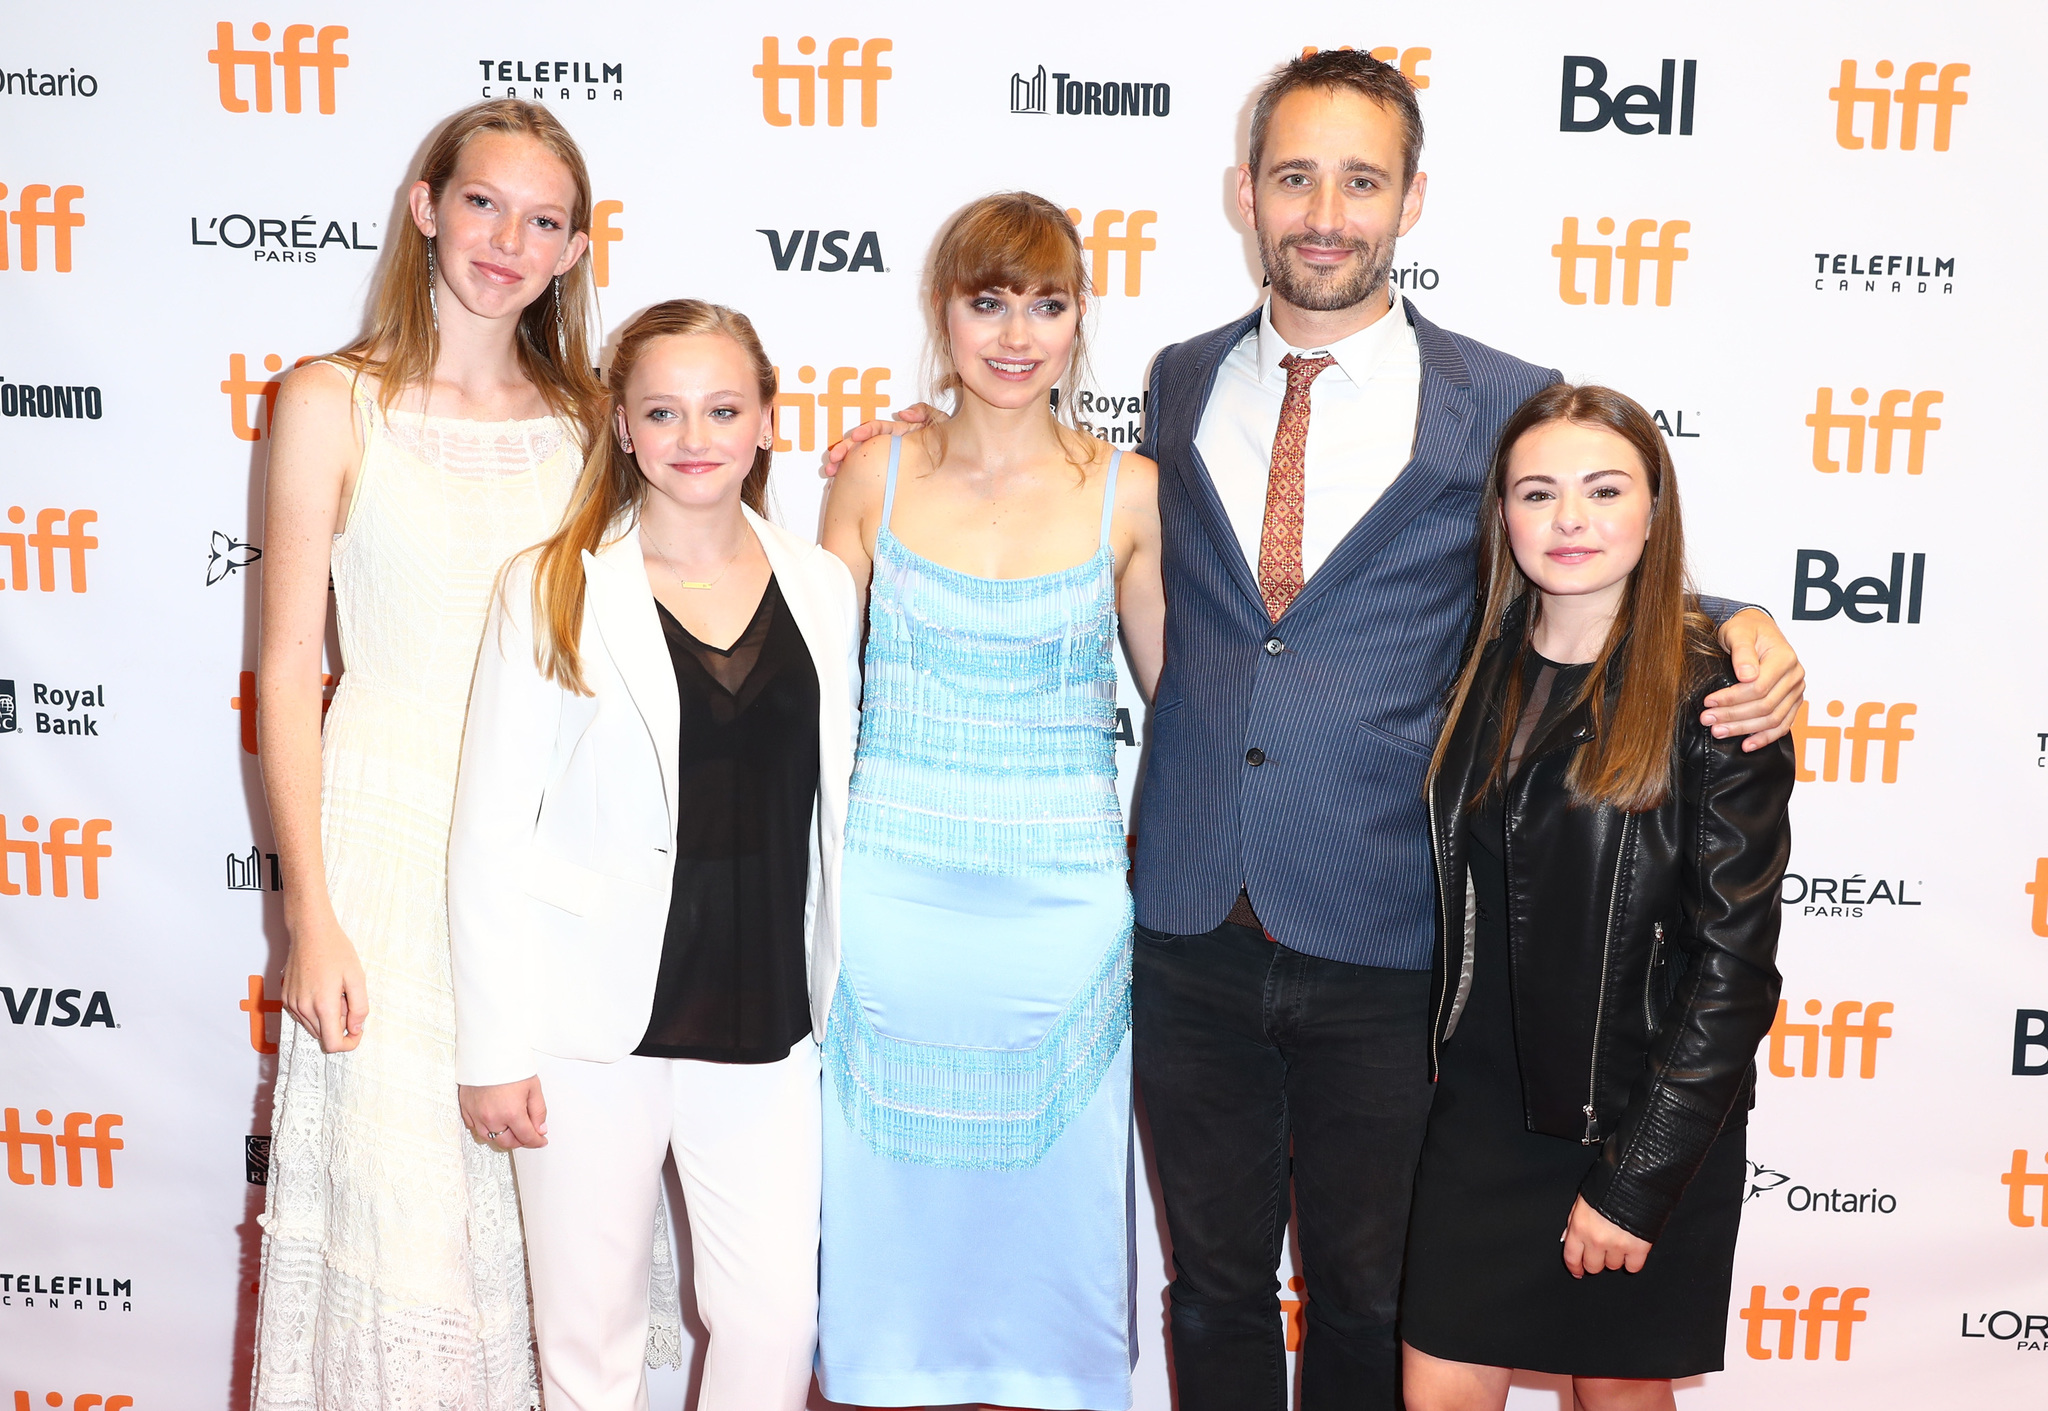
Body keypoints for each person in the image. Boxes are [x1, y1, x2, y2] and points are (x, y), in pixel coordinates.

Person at [828, 51, 1804, 1411]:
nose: (1325, 209)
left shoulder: (1502, 390)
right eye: (1295, 176)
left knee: (1369, 1293)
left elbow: (1585, 542)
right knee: (1212, 1286)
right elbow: (1021, 470)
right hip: (1182, 922)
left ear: (1412, 199)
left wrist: (1740, 623)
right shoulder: (1172, 385)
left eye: (1360, 178)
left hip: (1389, 930)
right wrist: (910, 438)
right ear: (1245, 193)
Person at [447, 300, 860, 1411]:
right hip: (590, 1033)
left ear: (768, 420)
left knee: (774, 1323)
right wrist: (492, 1047)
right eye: (663, 410)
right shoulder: (551, 585)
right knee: (588, 1340)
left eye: (723, 408)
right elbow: (487, 830)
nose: (694, 435)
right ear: (621, 428)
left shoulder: (824, 587)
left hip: (772, 1028)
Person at [251, 100, 600, 1408]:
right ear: (424, 208)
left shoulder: (595, 419)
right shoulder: (330, 400)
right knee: (406, 1236)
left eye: (544, 218)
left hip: (545, 874)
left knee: (544, 1244)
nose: (508, 239)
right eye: (483, 203)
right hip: (385, 860)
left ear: (573, 249)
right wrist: (310, 917)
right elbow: (292, 663)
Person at [814, 192, 1165, 1410]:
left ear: (1079, 320)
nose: (1016, 334)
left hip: (1063, 924)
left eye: (1047, 302)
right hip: (893, 909)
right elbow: (803, 694)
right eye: (987, 300)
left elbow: (1189, 713)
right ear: (941, 311)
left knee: (1051, 1249)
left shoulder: (1132, 493)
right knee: (888, 1239)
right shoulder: (868, 474)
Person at [1400, 383, 1794, 1410]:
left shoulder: (1717, 691)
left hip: (1634, 1117)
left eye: (1601, 488)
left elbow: (1733, 971)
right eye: (1536, 493)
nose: (1568, 518)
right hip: (1478, 1116)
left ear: (1652, 509)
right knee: (1435, 1385)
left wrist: (1633, 1180)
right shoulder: (1473, 668)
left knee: (1612, 1394)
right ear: (1502, 517)